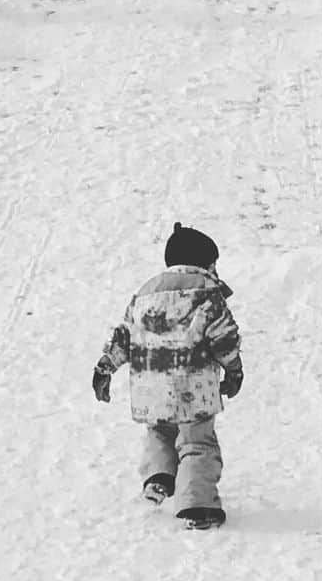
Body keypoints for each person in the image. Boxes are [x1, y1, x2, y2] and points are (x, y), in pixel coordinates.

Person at [92, 223, 243, 530]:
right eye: (213, 262)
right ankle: (198, 506)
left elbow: (124, 336)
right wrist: (234, 370)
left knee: (160, 431)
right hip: (194, 385)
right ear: (204, 262)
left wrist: (105, 367)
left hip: (153, 385)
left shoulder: (145, 292)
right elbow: (224, 338)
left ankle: (159, 478)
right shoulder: (207, 293)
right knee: (197, 442)